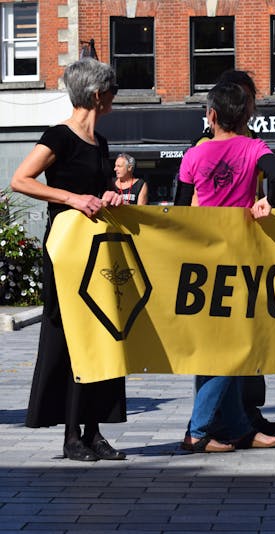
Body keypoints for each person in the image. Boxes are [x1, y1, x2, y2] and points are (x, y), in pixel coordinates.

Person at [10, 57, 127, 461]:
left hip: (96, 251)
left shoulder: (101, 142)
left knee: (99, 333)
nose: (115, 96)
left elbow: (103, 189)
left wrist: (112, 193)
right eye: (112, 90)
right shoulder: (58, 136)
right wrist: (72, 199)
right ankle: (70, 435)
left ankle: (93, 432)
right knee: (68, 336)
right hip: (64, 250)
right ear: (97, 94)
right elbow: (19, 179)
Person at [175, 81, 275, 452]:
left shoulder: (194, 154)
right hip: (240, 257)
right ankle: (199, 429)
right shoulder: (255, 147)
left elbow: (177, 207)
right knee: (231, 346)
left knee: (224, 343)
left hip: (201, 257)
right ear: (247, 114)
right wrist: (267, 202)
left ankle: (237, 426)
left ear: (210, 115)